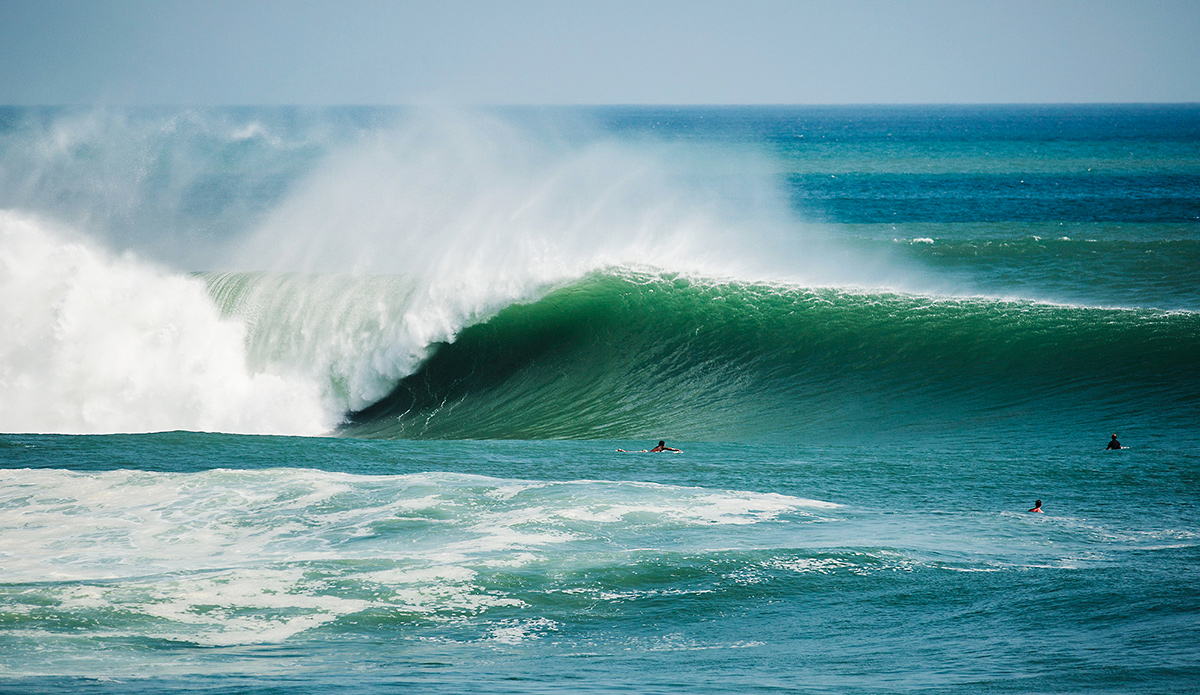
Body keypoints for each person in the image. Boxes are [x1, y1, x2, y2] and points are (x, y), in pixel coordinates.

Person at [617, 440, 681, 453]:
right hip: (649, 453)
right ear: (663, 444)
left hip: (648, 452)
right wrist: (677, 450)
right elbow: (670, 449)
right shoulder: (662, 448)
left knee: (634, 452)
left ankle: (623, 451)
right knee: (635, 452)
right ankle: (623, 451)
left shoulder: (657, 447)